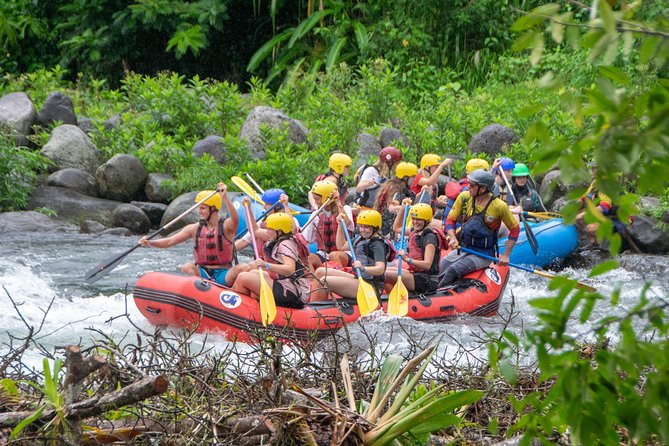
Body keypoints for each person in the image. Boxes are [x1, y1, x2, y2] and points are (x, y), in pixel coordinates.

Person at [139, 182, 238, 285]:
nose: (199, 211)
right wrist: (150, 242)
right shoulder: (194, 228)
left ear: (213, 208)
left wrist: (225, 197)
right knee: (187, 267)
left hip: (224, 273)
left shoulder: (227, 227)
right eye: (199, 208)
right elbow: (170, 241)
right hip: (203, 273)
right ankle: (200, 291)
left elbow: (235, 219)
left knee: (243, 268)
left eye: (202, 208)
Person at [437, 169, 519, 288]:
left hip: (483, 254)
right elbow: (450, 220)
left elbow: (515, 229)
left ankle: (436, 293)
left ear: (483, 188)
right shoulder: (465, 197)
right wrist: (453, 238)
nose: (468, 187)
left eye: (472, 185)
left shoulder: (499, 206)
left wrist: (506, 254)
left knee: (454, 270)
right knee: (442, 265)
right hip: (463, 248)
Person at [231, 212, 310, 309]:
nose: (267, 231)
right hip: (287, 285)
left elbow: (289, 269)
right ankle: (251, 308)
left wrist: (266, 265)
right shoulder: (279, 237)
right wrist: (248, 209)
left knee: (243, 278)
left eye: (269, 229)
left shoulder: (285, 245)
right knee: (253, 272)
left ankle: (237, 309)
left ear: (279, 230)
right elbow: (254, 230)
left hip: (294, 292)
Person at [311, 210, 391, 302]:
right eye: (361, 227)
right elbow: (341, 246)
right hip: (359, 279)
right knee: (320, 272)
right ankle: (310, 305)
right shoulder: (361, 239)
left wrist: (363, 268)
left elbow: (380, 269)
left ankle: (315, 311)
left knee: (324, 280)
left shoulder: (377, 245)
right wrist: (341, 225)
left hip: (370, 286)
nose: (362, 230)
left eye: (366, 227)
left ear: (375, 228)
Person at [226, 191, 300, 285]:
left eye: (267, 204)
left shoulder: (288, 225)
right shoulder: (264, 221)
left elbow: (293, 230)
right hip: (263, 264)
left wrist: (285, 206)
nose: (264, 207)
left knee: (247, 269)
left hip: (277, 271)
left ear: (277, 206)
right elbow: (248, 236)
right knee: (246, 269)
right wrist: (225, 251)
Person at [386, 202, 441, 294]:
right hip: (415, 274)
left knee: (383, 274)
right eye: (413, 219)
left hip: (427, 280)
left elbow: (427, 265)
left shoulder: (429, 238)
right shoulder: (415, 231)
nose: (415, 222)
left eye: (418, 219)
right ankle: (394, 298)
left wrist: (407, 259)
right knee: (385, 270)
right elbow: (397, 228)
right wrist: (403, 210)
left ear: (426, 220)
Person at [302, 180, 354, 271]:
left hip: (344, 253)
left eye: (317, 199)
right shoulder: (316, 214)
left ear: (326, 198)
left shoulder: (345, 209)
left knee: (334, 255)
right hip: (324, 253)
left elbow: (346, 223)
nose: (315, 202)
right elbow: (307, 239)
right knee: (307, 259)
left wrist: (338, 202)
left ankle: (337, 282)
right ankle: (316, 282)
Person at [575, 161, 631, 245]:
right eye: (592, 168)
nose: (593, 170)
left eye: (595, 168)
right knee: (578, 213)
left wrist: (581, 216)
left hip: (619, 219)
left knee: (586, 224)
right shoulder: (595, 183)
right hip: (608, 214)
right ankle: (594, 241)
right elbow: (584, 199)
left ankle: (596, 240)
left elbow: (603, 208)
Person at [373, 161, 417, 237]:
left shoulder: (394, 186)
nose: (415, 179)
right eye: (413, 176)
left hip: (388, 226)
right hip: (388, 229)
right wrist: (409, 208)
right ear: (405, 177)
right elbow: (391, 208)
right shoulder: (397, 191)